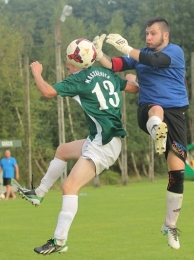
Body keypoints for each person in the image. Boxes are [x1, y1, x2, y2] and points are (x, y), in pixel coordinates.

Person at [17, 38, 139, 255]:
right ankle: (39, 193)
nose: (67, 65)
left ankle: (59, 240)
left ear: (73, 61)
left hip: (104, 144)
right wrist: (132, 77)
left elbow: (47, 91)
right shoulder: (107, 73)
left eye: (68, 61)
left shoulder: (78, 79)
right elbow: (132, 88)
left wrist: (36, 73)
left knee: (69, 188)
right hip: (102, 139)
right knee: (63, 150)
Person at [93, 16, 189, 249]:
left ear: (165, 35)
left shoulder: (174, 52)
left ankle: (170, 225)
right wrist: (98, 55)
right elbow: (115, 64)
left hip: (176, 116)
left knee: (177, 174)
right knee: (157, 109)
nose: (148, 37)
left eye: (153, 33)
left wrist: (128, 48)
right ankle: (158, 131)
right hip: (149, 111)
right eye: (146, 33)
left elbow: (156, 60)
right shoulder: (141, 55)